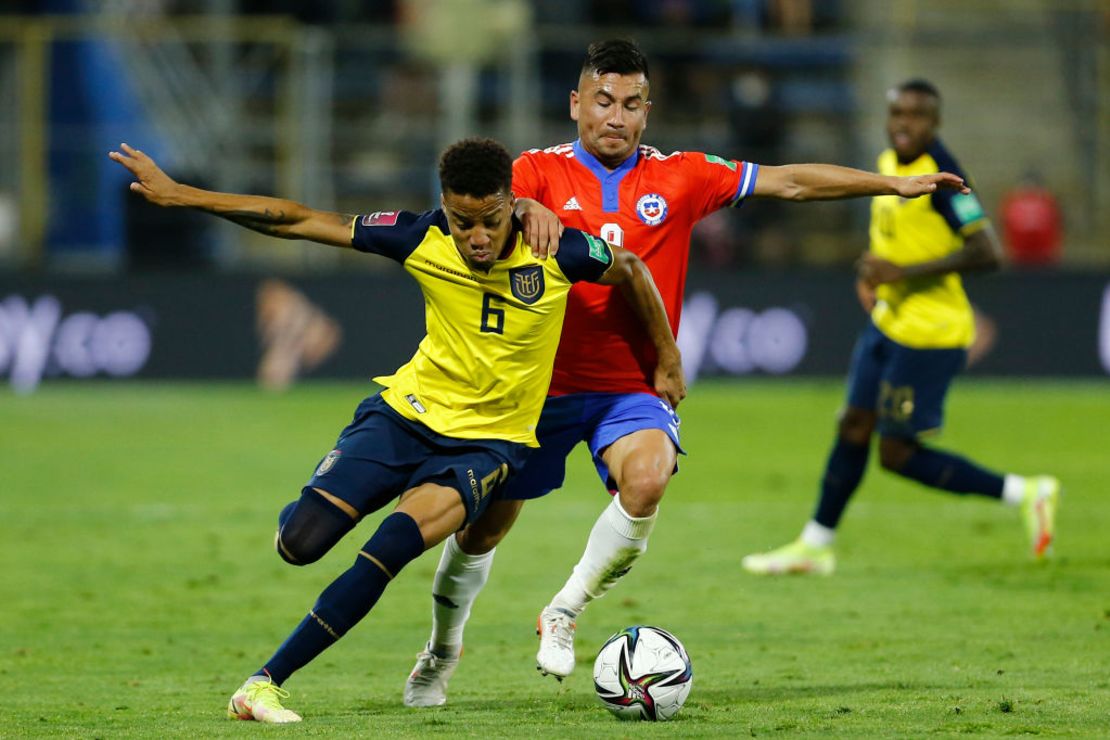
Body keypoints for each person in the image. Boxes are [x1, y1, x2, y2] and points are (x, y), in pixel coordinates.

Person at [403, 41, 973, 707]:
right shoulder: (535, 171)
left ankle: (563, 609)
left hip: (632, 388)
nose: (615, 117)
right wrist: (529, 209)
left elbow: (789, 181)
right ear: (576, 105)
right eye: (603, 101)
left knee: (647, 480)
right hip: (538, 386)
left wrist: (895, 184)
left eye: (631, 104)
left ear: (648, 113)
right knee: (482, 531)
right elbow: (485, 213)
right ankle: (441, 651)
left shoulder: (682, 177)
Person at [108, 136, 683, 723]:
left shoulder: (558, 251)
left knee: (388, 550)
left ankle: (262, 684)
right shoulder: (421, 236)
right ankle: (331, 496)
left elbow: (633, 269)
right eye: (463, 223)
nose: (477, 238)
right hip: (404, 416)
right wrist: (183, 196)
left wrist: (666, 356)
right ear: (445, 207)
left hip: (487, 447)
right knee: (299, 544)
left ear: (513, 204)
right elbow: (298, 220)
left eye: (489, 221)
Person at [741, 80, 1060, 577]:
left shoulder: (942, 176)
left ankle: (1027, 492)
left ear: (934, 124)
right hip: (889, 322)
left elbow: (987, 251)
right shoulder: (890, 165)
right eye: (896, 114)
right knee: (852, 424)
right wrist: (874, 271)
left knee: (896, 454)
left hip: (930, 334)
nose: (903, 124)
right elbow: (893, 236)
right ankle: (816, 545)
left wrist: (901, 274)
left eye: (915, 116)